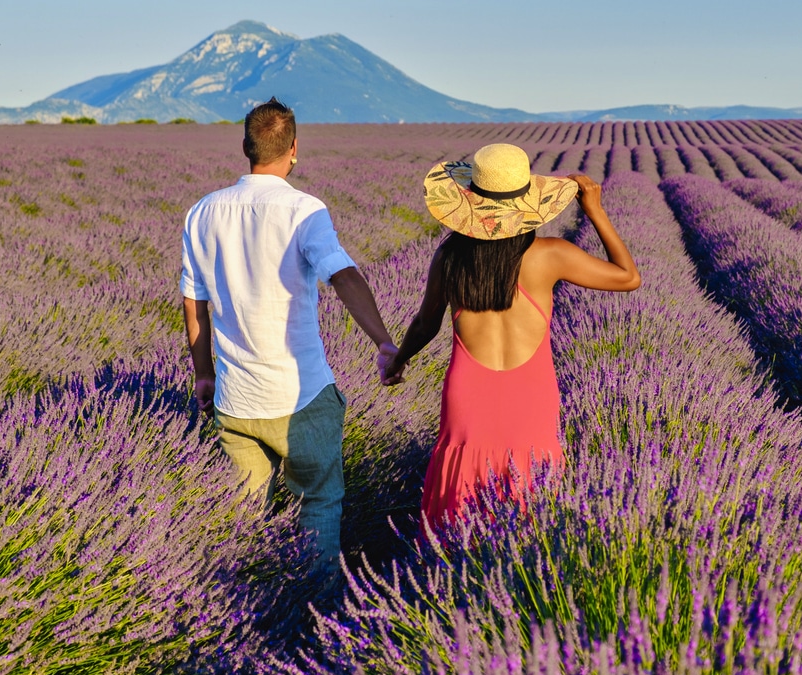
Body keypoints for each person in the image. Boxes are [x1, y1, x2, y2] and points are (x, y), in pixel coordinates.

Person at [180, 97, 397, 569]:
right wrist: (382, 340)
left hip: (235, 400)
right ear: (294, 148)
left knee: (242, 520)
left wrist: (203, 374)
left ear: (245, 146)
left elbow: (193, 301)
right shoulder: (304, 210)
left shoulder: (203, 212)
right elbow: (342, 275)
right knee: (318, 505)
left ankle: (246, 608)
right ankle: (314, 613)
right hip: (301, 397)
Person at [381, 143, 639, 531]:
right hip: (531, 392)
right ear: (528, 204)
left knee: (460, 499)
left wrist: (399, 360)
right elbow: (628, 277)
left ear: (471, 203)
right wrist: (595, 211)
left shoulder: (450, 257)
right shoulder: (550, 255)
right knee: (531, 497)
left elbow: (425, 324)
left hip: (468, 393)